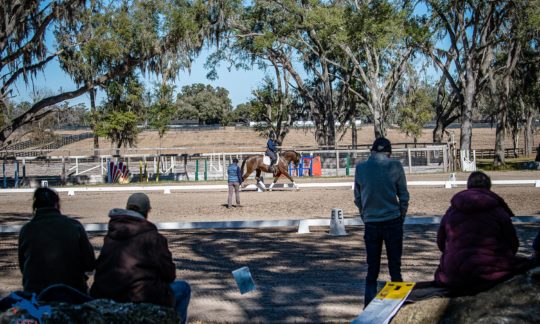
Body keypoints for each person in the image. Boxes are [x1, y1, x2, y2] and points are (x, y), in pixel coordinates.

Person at [91, 193, 191, 324]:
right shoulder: (154, 237)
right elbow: (170, 275)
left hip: (105, 296)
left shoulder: (111, 234)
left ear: (127, 208)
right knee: (183, 288)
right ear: (148, 211)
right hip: (140, 299)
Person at [434, 171, 532, 295]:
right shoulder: (498, 211)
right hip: (491, 271)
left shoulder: (452, 210)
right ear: (489, 187)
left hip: (455, 273)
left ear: (468, 186)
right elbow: (513, 243)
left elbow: (440, 241)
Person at [354, 138, 409, 307]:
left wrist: (366, 216)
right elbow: (404, 196)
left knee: (372, 270)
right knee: (395, 269)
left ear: (372, 151)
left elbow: (358, 198)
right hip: (392, 221)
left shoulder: (360, 168)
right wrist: (401, 217)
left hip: (371, 222)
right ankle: (397, 307)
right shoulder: (395, 166)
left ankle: (368, 307)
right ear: (389, 153)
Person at [18, 187, 96, 294]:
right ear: (57, 203)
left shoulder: (26, 230)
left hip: (36, 294)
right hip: (72, 291)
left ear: (35, 205)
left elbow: (23, 266)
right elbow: (90, 263)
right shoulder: (74, 226)